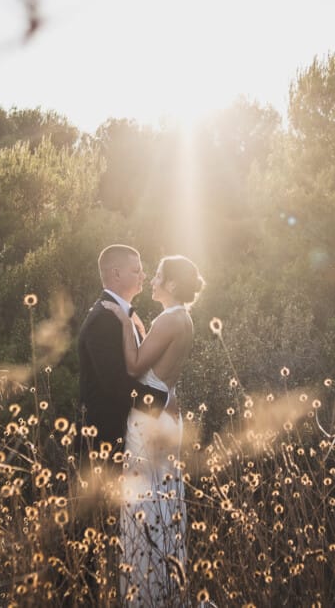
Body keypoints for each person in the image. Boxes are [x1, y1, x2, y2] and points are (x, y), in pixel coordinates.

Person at [100, 254, 201, 608]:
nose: (153, 280)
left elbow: (134, 366)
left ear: (172, 284)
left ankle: (148, 595)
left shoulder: (168, 319)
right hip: (167, 416)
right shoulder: (182, 319)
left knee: (145, 502)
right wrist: (140, 327)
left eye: (158, 275)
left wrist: (125, 323)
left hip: (149, 421)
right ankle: (167, 590)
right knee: (164, 500)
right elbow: (160, 369)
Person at [76, 245, 171, 473]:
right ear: (116, 274)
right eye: (136, 270)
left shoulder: (124, 315)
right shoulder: (103, 319)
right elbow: (115, 384)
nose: (143, 275)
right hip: (105, 444)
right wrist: (162, 401)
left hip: (130, 438)